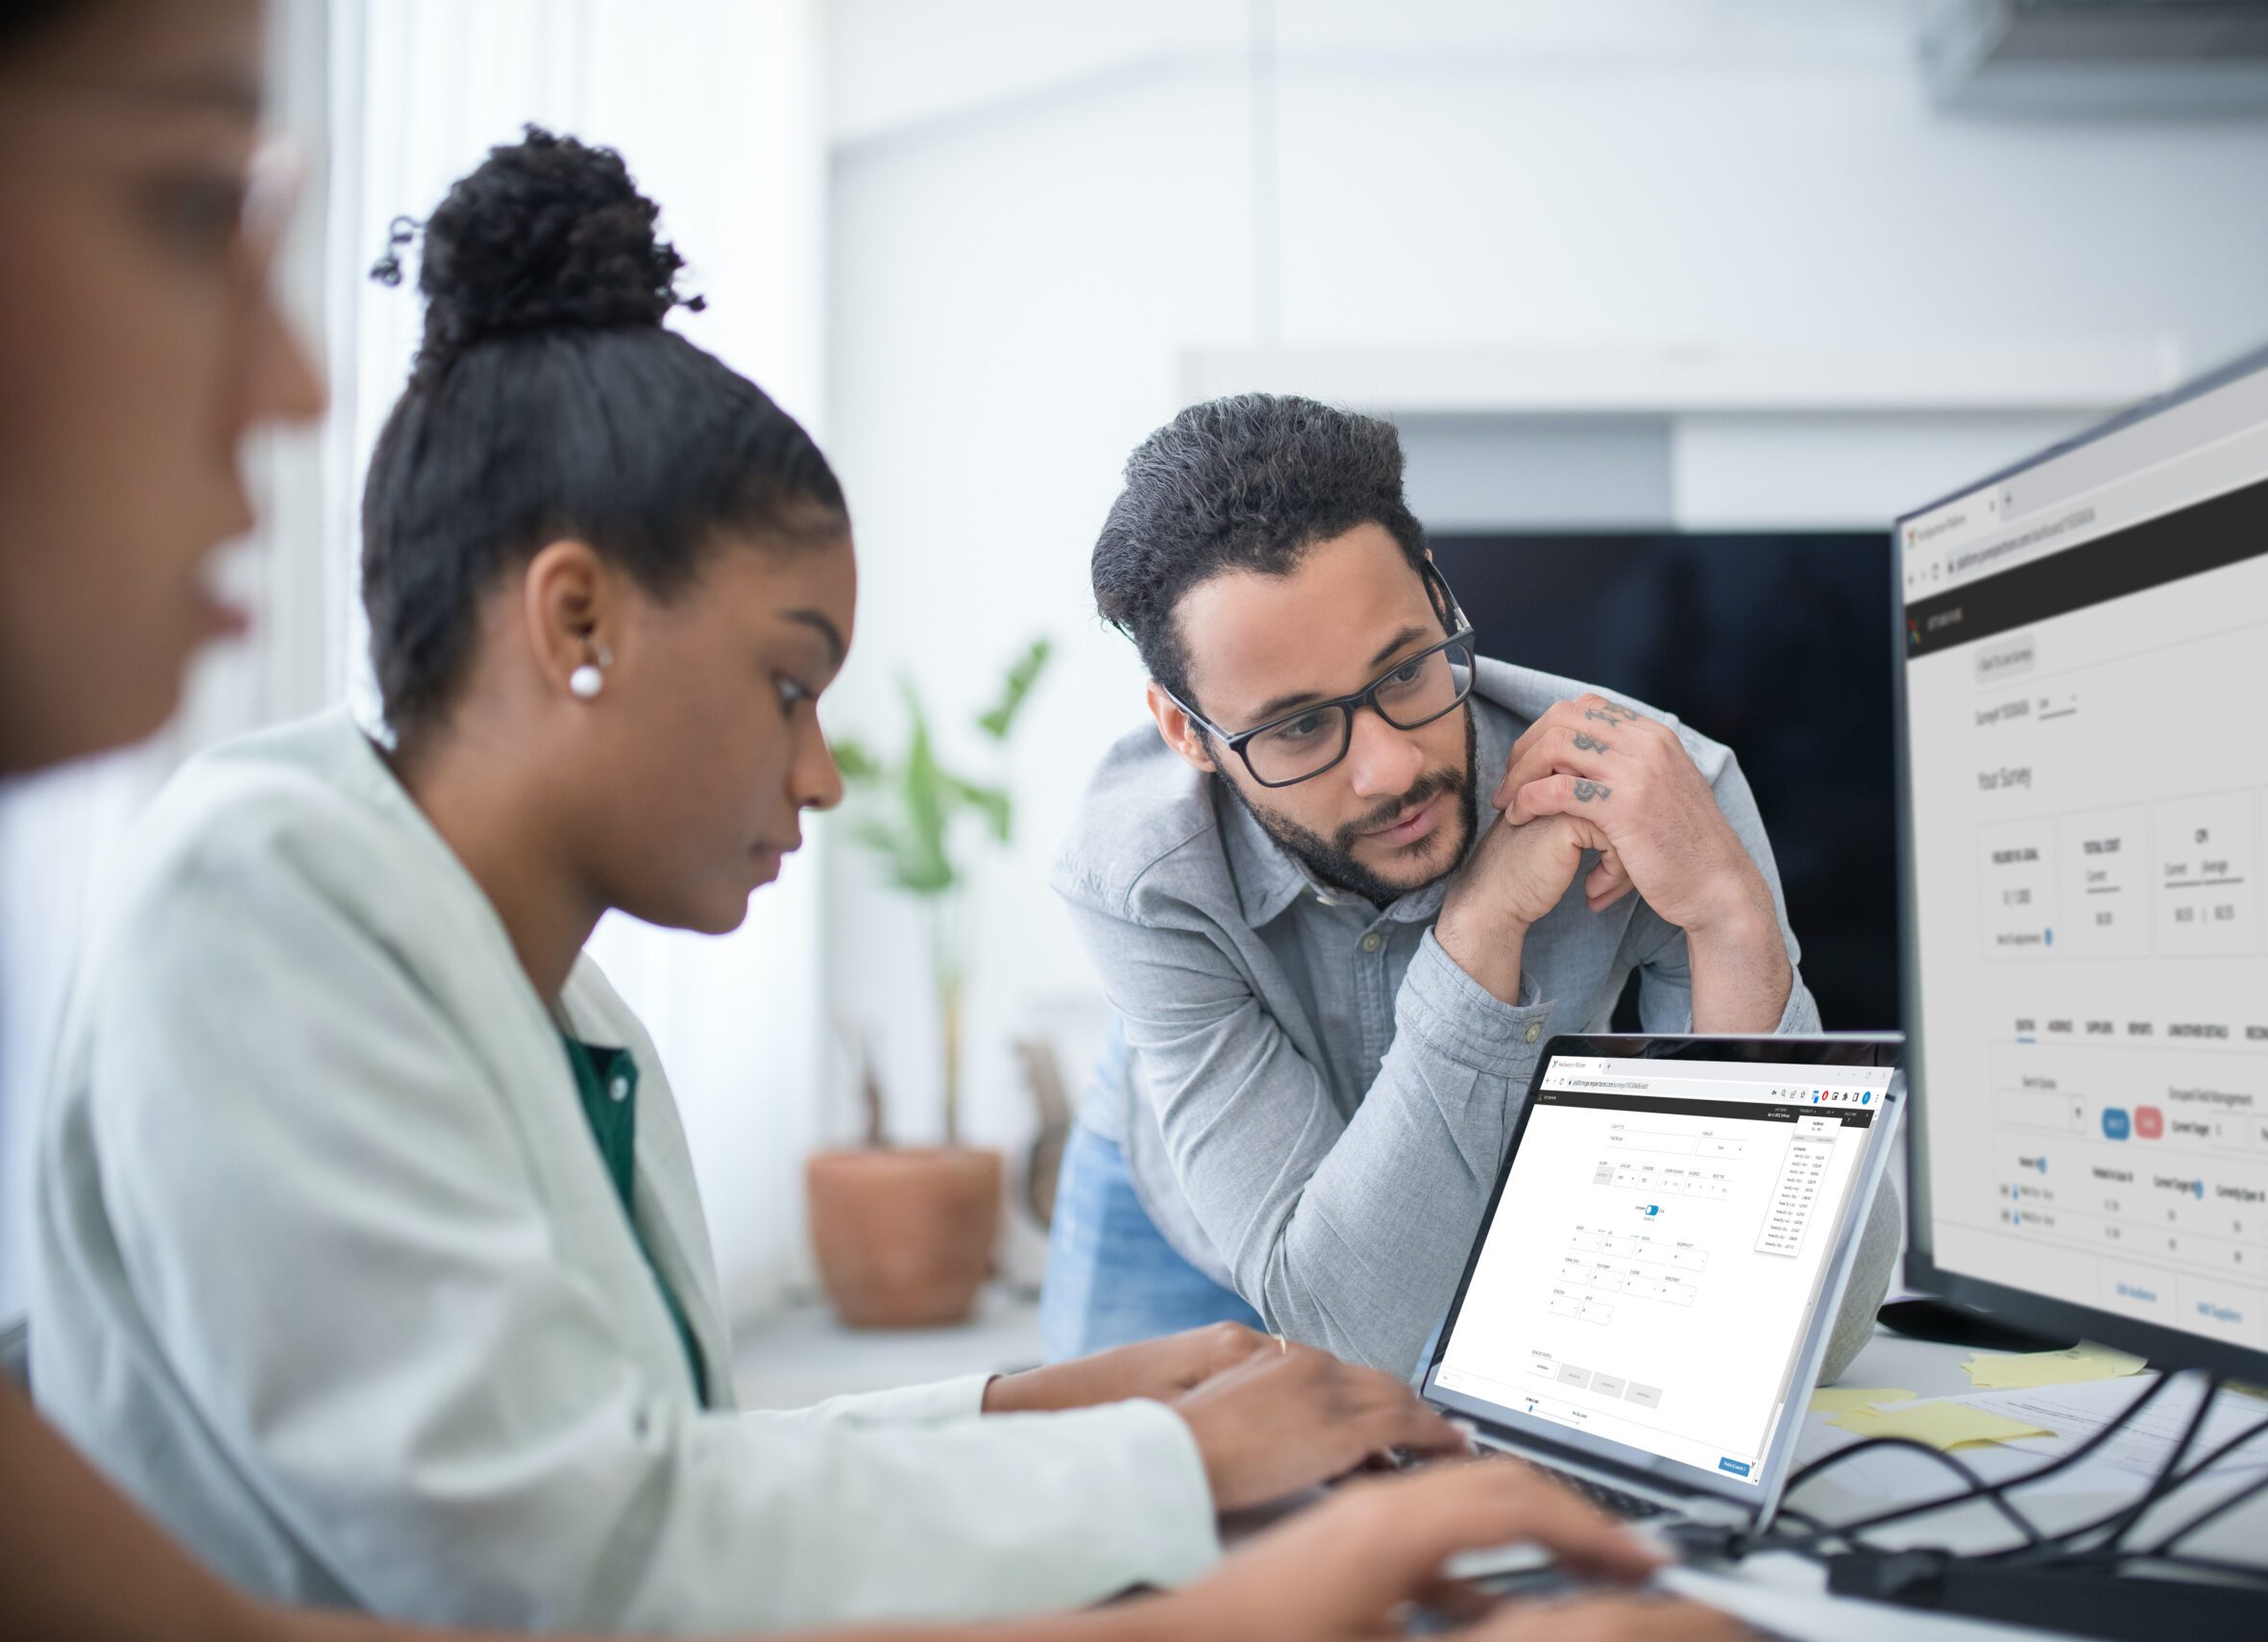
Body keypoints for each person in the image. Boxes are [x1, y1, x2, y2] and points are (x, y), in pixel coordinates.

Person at [0, 8, 1749, 1637]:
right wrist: (1250, 1530)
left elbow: (642, 1472)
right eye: (789, 681)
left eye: (1401, 675)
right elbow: (578, 1569)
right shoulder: (269, 891)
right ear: (578, 623)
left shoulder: (559, 1008)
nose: (824, 772)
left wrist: (1049, 1399)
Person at [1042, 394, 1900, 1380]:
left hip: (1494, 1198)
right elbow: (1347, 1330)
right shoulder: (1138, 879)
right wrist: (1480, 924)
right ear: (1186, 730)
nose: (1391, 769)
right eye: (1297, 728)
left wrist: (1729, 915)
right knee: (1132, 1508)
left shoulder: (1659, 792)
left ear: (1441, 597)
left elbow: (1812, 1341)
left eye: (1406, 668)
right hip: (1199, 1224)